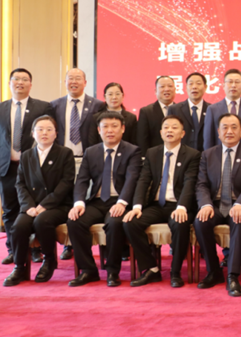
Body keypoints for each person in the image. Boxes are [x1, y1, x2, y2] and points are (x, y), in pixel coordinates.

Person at [122, 115, 201, 288]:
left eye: (174, 127)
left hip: (179, 205)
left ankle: (175, 271)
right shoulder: (152, 153)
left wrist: (182, 207)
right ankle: (151, 269)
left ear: (183, 133)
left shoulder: (192, 155)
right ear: (160, 132)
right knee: (130, 223)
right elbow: (144, 180)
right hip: (157, 204)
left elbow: (190, 183)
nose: (169, 130)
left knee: (180, 224)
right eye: (166, 127)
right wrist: (137, 206)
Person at [67, 112, 142, 287]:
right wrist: (79, 203)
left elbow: (132, 179)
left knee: (115, 223)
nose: (110, 130)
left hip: (120, 201)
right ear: (99, 130)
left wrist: (122, 203)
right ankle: (88, 270)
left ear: (123, 129)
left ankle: (112, 271)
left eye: (114, 126)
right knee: (74, 221)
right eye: (105, 126)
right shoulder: (91, 152)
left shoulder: (132, 151)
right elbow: (82, 180)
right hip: (97, 201)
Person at [0, 68, 53, 265]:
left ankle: (35, 249)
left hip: (33, 168)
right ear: (10, 83)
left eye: (25, 79)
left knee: (33, 208)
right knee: (9, 210)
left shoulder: (42, 107)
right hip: (6, 167)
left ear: (30, 85)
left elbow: (49, 136)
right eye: (16, 79)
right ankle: (13, 249)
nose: (20, 82)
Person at [194, 113, 241, 297]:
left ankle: (233, 275)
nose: (229, 131)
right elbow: (201, 184)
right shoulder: (208, 154)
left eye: (234, 127)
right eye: (225, 127)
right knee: (200, 222)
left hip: (240, 205)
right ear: (218, 132)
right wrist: (205, 204)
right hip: (215, 205)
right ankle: (214, 271)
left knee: (239, 219)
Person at [3, 116, 74, 286]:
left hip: (57, 205)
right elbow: (20, 184)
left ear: (56, 133)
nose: (44, 133)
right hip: (31, 205)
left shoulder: (65, 153)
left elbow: (66, 183)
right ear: (33, 133)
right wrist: (28, 206)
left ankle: (49, 260)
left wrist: (45, 205)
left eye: (49, 129)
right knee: (19, 226)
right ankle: (19, 266)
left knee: (42, 221)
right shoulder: (27, 155)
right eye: (40, 129)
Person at [50, 68, 106, 261]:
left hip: (88, 159)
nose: (73, 82)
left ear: (85, 82)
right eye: (70, 78)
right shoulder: (55, 105)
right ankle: (69, 244)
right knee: (66, 199)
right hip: (63, 160)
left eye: (77, 78)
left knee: (86, 199)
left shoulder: (97, 105)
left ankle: (88, 241)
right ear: (65, 82)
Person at [204, 69, 241, 151]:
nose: (233, 85)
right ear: (223, 86)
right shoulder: (212, 109)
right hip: (220, 155)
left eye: (237, 82)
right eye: (230, 82)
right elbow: (208, 139)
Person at [168, 72, 210, 151]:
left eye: (198, 83)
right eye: (190, 84)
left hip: (205, 154)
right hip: (181, 154)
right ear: (186, 87)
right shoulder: (174, 109)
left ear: (205, 87)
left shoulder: (211, 109)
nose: (194, 87)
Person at [137, 76, 177, 157]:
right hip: (154, 157)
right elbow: (142, 139)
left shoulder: (181, 110)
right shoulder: (146, 111)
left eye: (170, 86)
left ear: (175, 89)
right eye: (162, 86)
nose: (166, 89)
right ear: (155, 91)